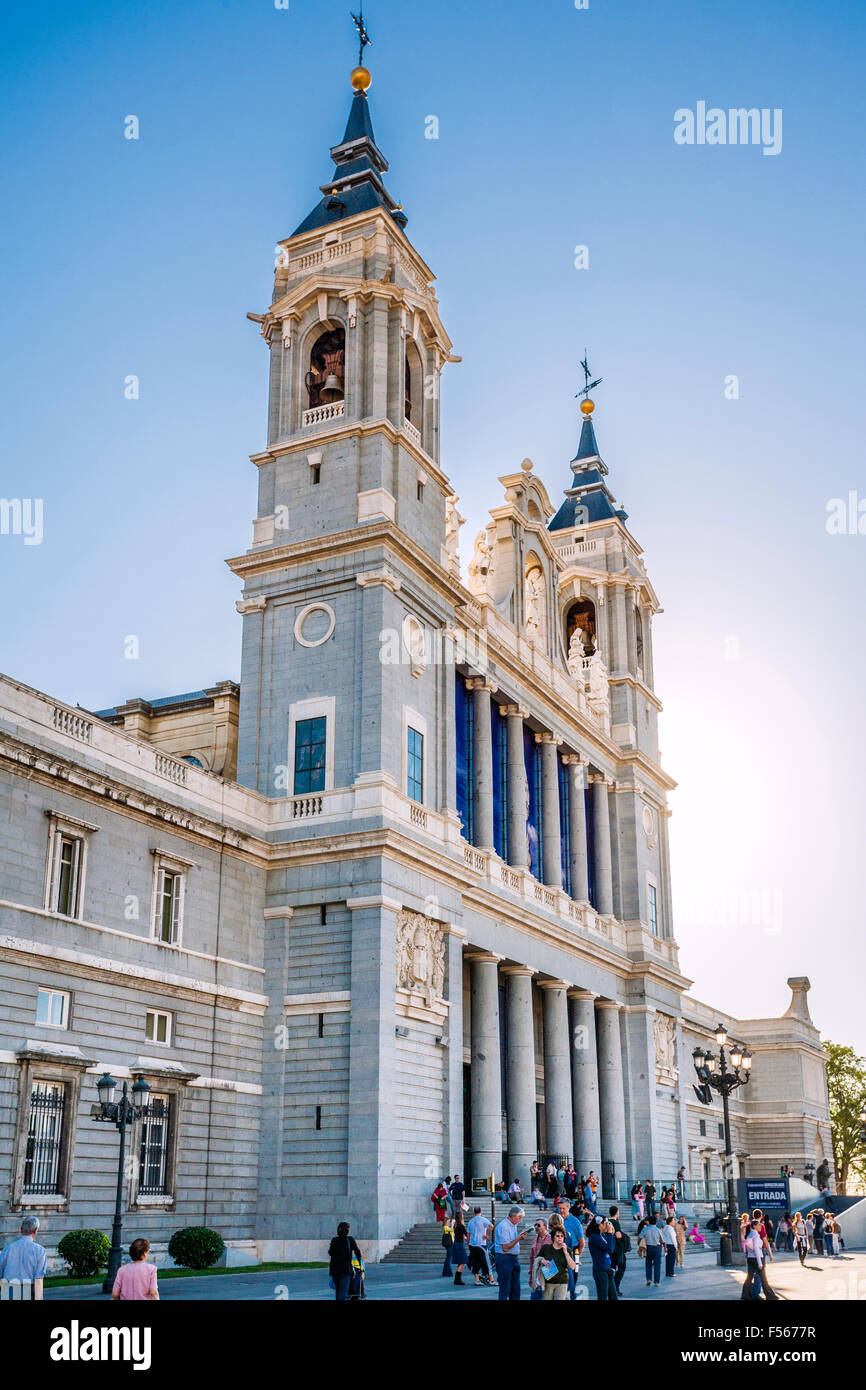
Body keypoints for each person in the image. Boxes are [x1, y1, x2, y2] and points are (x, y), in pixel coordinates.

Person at [0, 1215, 47, 1300]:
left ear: (20, 1229)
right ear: (36, 1230)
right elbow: (38, 1279)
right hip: (28, 1290)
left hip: (8, 1289)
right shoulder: (40, 1250)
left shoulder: (7, 1248)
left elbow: (0, 1272)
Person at [741, 1219, 780, 1301]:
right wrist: (759, 1263)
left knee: (749, 1277)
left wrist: (751, 1250)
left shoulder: (750, 1233)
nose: (760, 1226)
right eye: (758, 1225)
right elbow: (756, 1248)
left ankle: (745, 1295)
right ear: (754, 1226)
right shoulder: (755, 1234)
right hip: (757, 1259)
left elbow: (747, 1243)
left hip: (750, 1258)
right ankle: (771, 1296)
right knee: (763, 1279)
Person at [493, 1206, 527, 1301]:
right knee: (505, 1288)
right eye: (519, 1217)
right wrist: (518, 1239)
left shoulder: (513, 1225)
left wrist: (519, 1237)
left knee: (515, 1288)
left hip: (513, 1258)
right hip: (504, 1258)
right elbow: (505, 1248)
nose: (520, 1220)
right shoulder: (503, 1226)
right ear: (513, 1216)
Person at [555, 1197, 585, 1300]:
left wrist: (576, 1257)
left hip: (572, 1252)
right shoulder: (556, 1220)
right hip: (558, 1254)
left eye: (563, 1208)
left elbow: (582, 1242)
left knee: (572, 1282)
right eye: (559, 1208)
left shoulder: (575, 1222)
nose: (561, 1211)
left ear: (569, 1208)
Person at [536, 1223, 576, 1301]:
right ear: (553, 1237)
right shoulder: (546, 1248)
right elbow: (537, 1259)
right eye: (557, 1236)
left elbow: (572, 1266)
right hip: (548, 1282)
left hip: (562, 1282)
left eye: (562, 1236)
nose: (560, 1238)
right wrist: (543, 1261)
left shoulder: (567, 1250)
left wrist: (565, 1253)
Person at [328, 1221, 363, 1301]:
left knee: (338, 1291)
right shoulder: (350, 1240)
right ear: (347, 1230)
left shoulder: (334, 1240)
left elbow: (330, 1252)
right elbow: (357, 1251)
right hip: (345, 1270)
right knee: (343, 1292)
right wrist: (359, 1260)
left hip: (335, 1270)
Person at [586, 1217, 618, 1300]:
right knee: (602, 1297)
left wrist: (612, 1235)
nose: (607, 1226)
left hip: (607, 1268)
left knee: (614, 1297)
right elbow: (609, 1249)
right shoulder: (594, 1237)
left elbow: (612, 1248)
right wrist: (609, 1234)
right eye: (606, 1223)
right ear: (599, 1224)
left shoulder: (601, 1235)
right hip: (600, 1270)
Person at [467, 1206, 494, 1286]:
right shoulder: (483, 1219)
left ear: (474, 1212)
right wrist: (487, 1235)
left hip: (472, 1244)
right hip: (481, 1243)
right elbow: (491, 1226)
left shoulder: (471, 1221)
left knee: (475, 1262)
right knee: (486, 1261)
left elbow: (468, 1234)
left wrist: (468, 1243)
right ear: (480, 1211)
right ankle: (491, 1279)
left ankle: (477, 1280)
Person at [528, 1218, 550, 1300]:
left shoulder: (551, 1239)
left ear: (545, 1227)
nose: (536, 1227)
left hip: (548, 1273)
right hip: (536, 1274)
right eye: (535, 1225)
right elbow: (531, 1259)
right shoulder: (534, 1240)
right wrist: (530, 1275)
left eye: (538, 1225)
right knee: (535, 1297)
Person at [608, 1204, 628, 1291]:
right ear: (616, 1213)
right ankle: (615, 1287)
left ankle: (610, 1286)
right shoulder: (615, 1223)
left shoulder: (607, 1221)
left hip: (609, 1248)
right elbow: (618, 1235)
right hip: (617, 1249)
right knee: (621, 1267)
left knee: (612, 1268)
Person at [643, 1215, 663, 1287]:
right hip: (657, 1247)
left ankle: (649, 1279)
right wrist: (665, 1247)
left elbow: (640, 1236)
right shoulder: (658, 1230)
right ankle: (656, 1282)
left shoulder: (645, 1229)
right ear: (656, 1222)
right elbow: (662, 1240)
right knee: (657, 1265)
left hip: (648, 1247)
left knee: (648, 1264)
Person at [451, 1215, 469, 1286]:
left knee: (460, 1262)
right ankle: (457, 1279)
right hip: (460, 1245)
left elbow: (459, 1235)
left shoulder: (455, 1225)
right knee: (463, 1261)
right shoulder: (461, 1226)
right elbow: (467, 1234)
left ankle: (457, 1278)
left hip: (456, 1243)